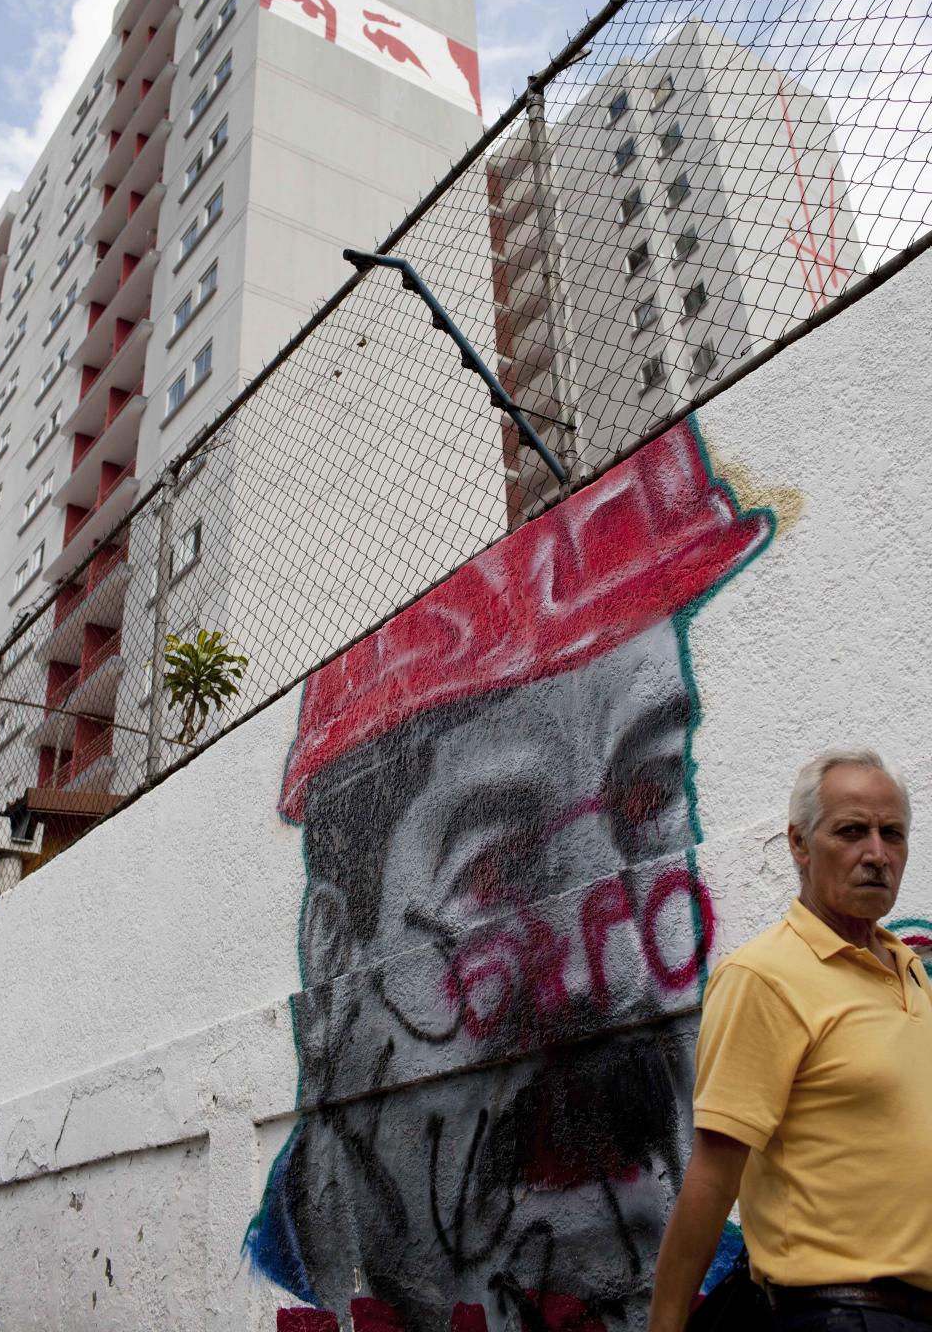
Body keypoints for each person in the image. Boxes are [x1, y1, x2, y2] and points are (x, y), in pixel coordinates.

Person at [245, 422, 772, 1331]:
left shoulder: (738, 1278)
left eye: (650, 798)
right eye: (497, 864)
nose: (610, 972)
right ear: (335, 961)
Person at [648, 747, 932, 1332]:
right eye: (852, 832)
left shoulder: (909, 969)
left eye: (893, 834)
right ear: (799, 844)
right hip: (840, 1315)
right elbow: (712, 1174)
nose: (877, 854)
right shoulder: (765, 977)